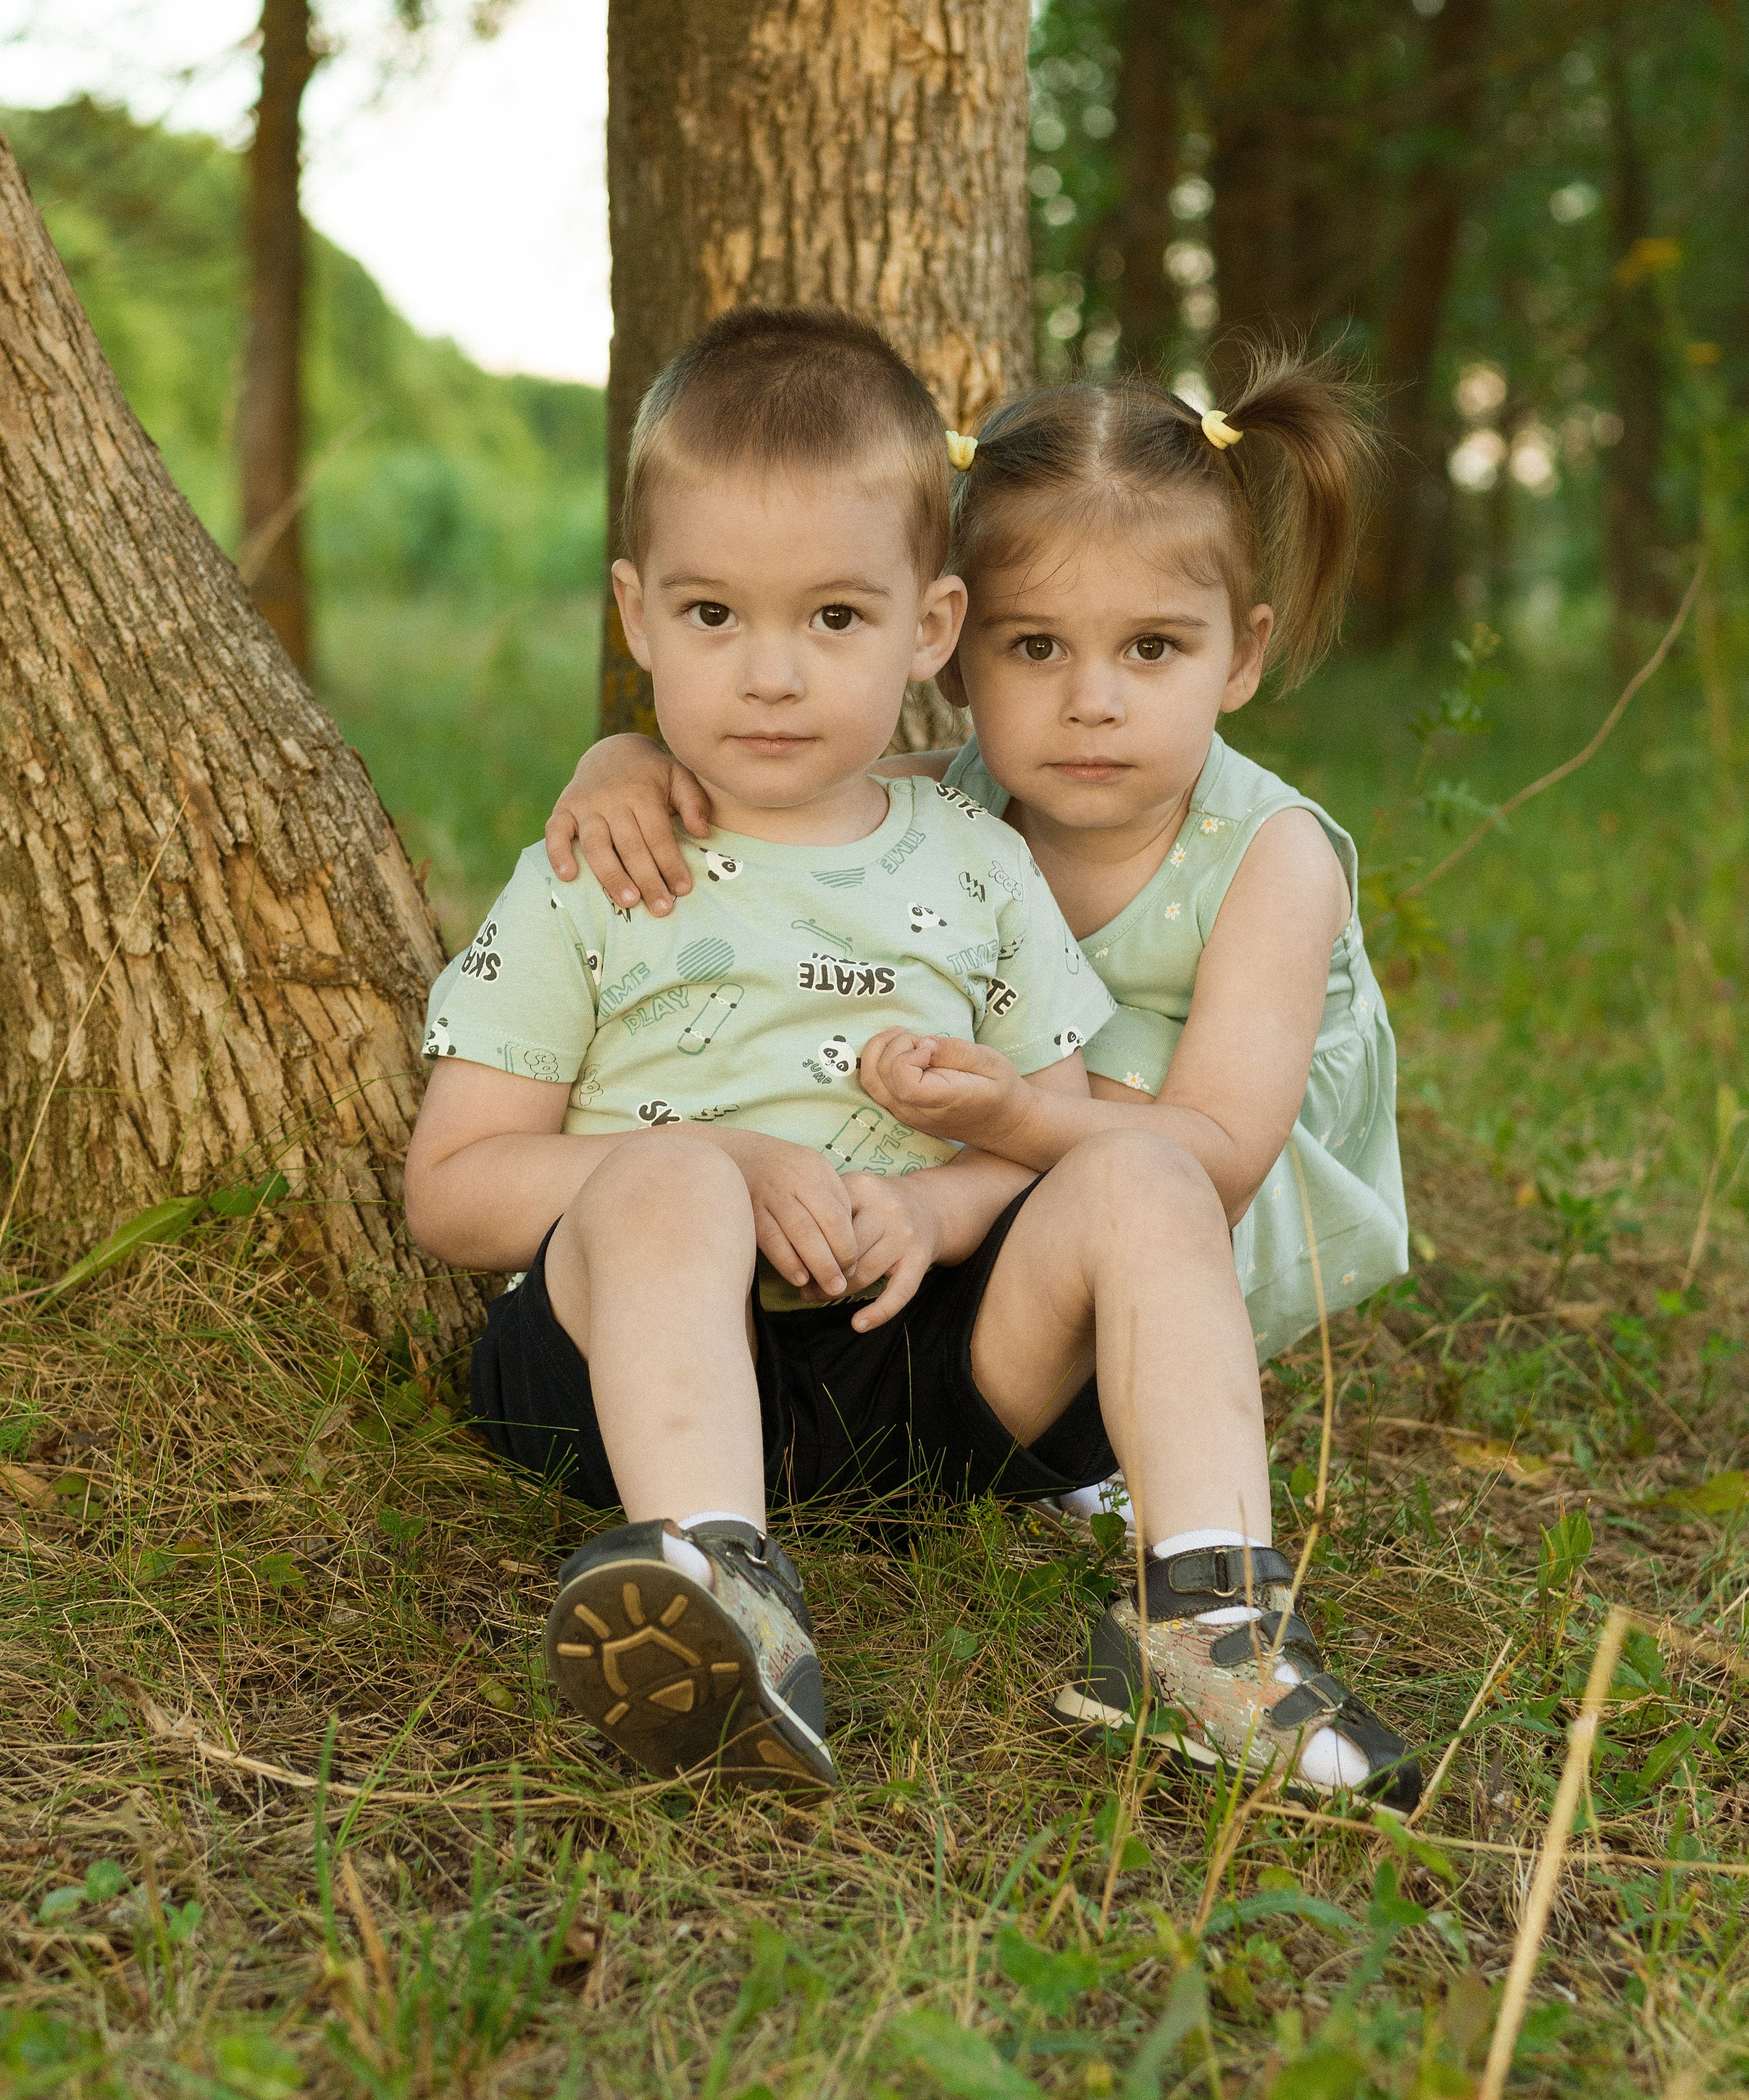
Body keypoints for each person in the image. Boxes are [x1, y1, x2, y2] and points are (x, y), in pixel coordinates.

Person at [412, 309, 1416, 1807]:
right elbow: (452, 1193)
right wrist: (728, 1164)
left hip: (920, 1371)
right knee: (678, 1171)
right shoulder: (598, 860)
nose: (768, 678)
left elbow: (1047, 1135)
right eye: (710, 619)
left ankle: (1207, 1623)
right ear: (633, 617)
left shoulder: (977, 855)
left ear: (923, 631)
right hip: (636, 1370)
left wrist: (931, 1211)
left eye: (829, 621)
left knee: (1134, 1170)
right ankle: (713, 1582)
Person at [547, 356, 1408, 1534]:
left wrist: (1010, 1118)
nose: (1092, 702)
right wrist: (622, 763)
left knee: (1133, 1168)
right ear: (950, 653)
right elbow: (771, 799)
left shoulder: (1273, 859)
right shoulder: (948, 810)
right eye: (1035, 648)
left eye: (1152, 649)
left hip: (1174, 1174)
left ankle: (1142, 1460)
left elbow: (1218, 1155)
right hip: (990, 1187)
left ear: (1242, 656)